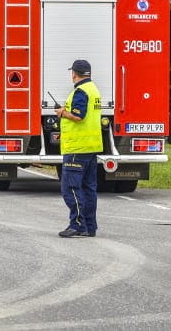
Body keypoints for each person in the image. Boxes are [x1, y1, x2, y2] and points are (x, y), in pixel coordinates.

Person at [55, 59, 103, 238]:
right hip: (91, 147)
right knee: (88, 188)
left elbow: (78, 116)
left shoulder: (80, 91)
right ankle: (90, 227)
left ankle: (76, 224)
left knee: (71, 188)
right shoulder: (94, 89)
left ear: (74, 74)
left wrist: (62, 113)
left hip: (77, 149)